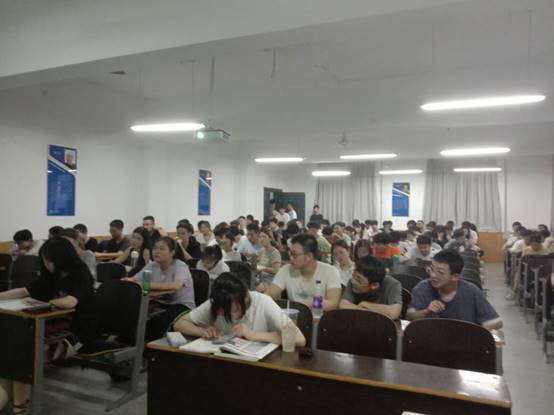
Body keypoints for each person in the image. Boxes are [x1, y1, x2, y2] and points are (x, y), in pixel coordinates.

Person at [0, 237, 96, 414]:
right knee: (12, 358)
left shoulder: (81, 276)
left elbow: (70, 302)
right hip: (52, 328)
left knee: (20, 358)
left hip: (77, 334)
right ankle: (19, 406)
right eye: (44, 260)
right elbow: (24, 291)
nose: (47, 265)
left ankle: (19, 407)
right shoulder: (52, 275)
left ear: (63, 259)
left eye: (50, 261)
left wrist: (46, 303)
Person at [174, 273, 305, 347]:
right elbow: (179, 324)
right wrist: (203, 331)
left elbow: (299, 339)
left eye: (234, 310)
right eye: (221, 312)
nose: (227, 315)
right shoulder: (219, 300)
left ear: (246, 297)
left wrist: (254, 335)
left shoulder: (263, 302)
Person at [406, 250, 502, 329]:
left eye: (440, 273)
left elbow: (497, 321)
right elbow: (409, 316)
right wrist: (426, 312)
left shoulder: (471, 291)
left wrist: (475, 331)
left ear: (455, 277)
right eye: (431, 269)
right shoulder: (423, 287)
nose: (433, 275)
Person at [125, 237, 195, 341]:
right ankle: (131, 342)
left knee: (159, 322)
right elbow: (135, 279)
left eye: (162, 249)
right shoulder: (152, 266)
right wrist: (126, 280)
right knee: (133, 313)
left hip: (181, 305)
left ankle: (149, 347)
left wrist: (145, 285)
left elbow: (175, 286)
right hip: (159, 302)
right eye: (155, 248)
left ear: (172, 252)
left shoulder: (180, 266)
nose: (156, 251)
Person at [267, 234, 341, 311]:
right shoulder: (286, 270)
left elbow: (332, 304)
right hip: (294, 316)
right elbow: (269, 295)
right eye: (290, 253)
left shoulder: (330, 271)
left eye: (294, 254)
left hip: (320, 317)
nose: (291, 258)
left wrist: (306, 305)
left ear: (309, 256)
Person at [339, 256, 402, 320]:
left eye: (359, 280)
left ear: (374, 285)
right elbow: (343, 306)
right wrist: (371, 311)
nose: (353, 281)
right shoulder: (352, 282)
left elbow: (394, 313)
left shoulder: (392, 284)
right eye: (353, 275)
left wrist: (365, 304)